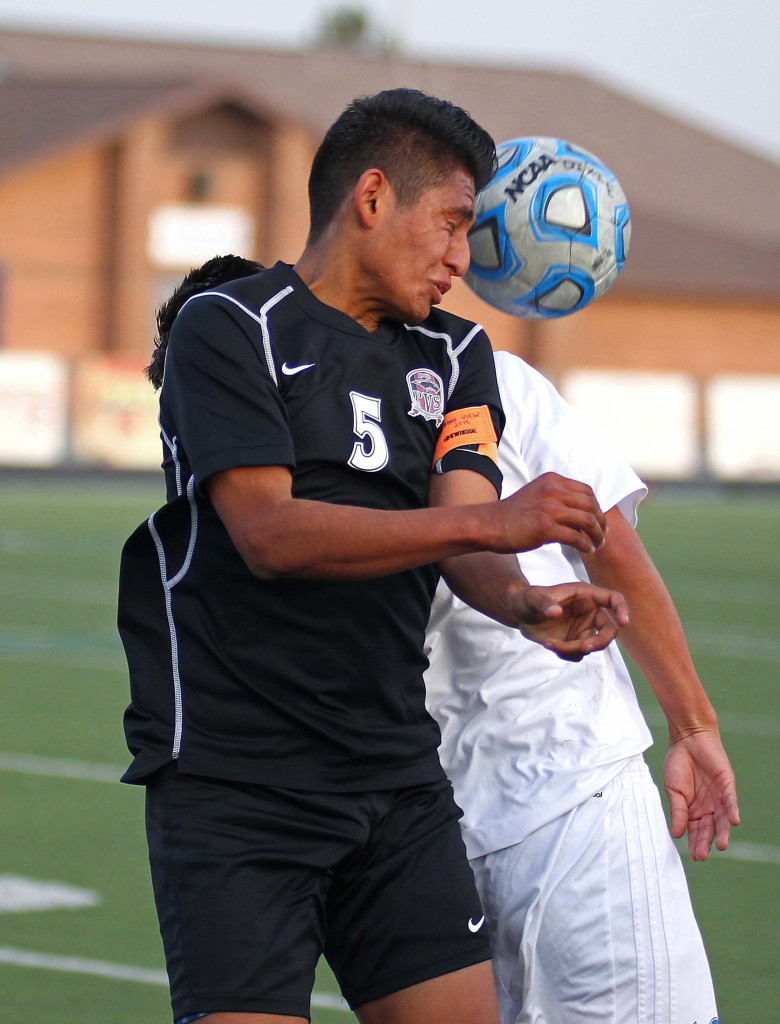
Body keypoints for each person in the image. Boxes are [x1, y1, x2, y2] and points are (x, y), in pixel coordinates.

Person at [117, 89, 629, 1024]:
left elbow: (467, 524)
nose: (460, 259)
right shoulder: (230, 326)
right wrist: (488, 529)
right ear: (373, 196)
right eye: (451, 223)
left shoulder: (457, 352)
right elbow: (271, 534)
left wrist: (522, 602)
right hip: (239, 786)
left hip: (393, 776)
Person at [424, 349, 740, 1024]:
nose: (454, 257)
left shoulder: (313, 400)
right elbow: (611, 544)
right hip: (554, 798)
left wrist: (693, 726)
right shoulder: (479, 367)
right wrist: (693, 725)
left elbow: (604, 541)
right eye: (446, 234)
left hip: (449, 820)